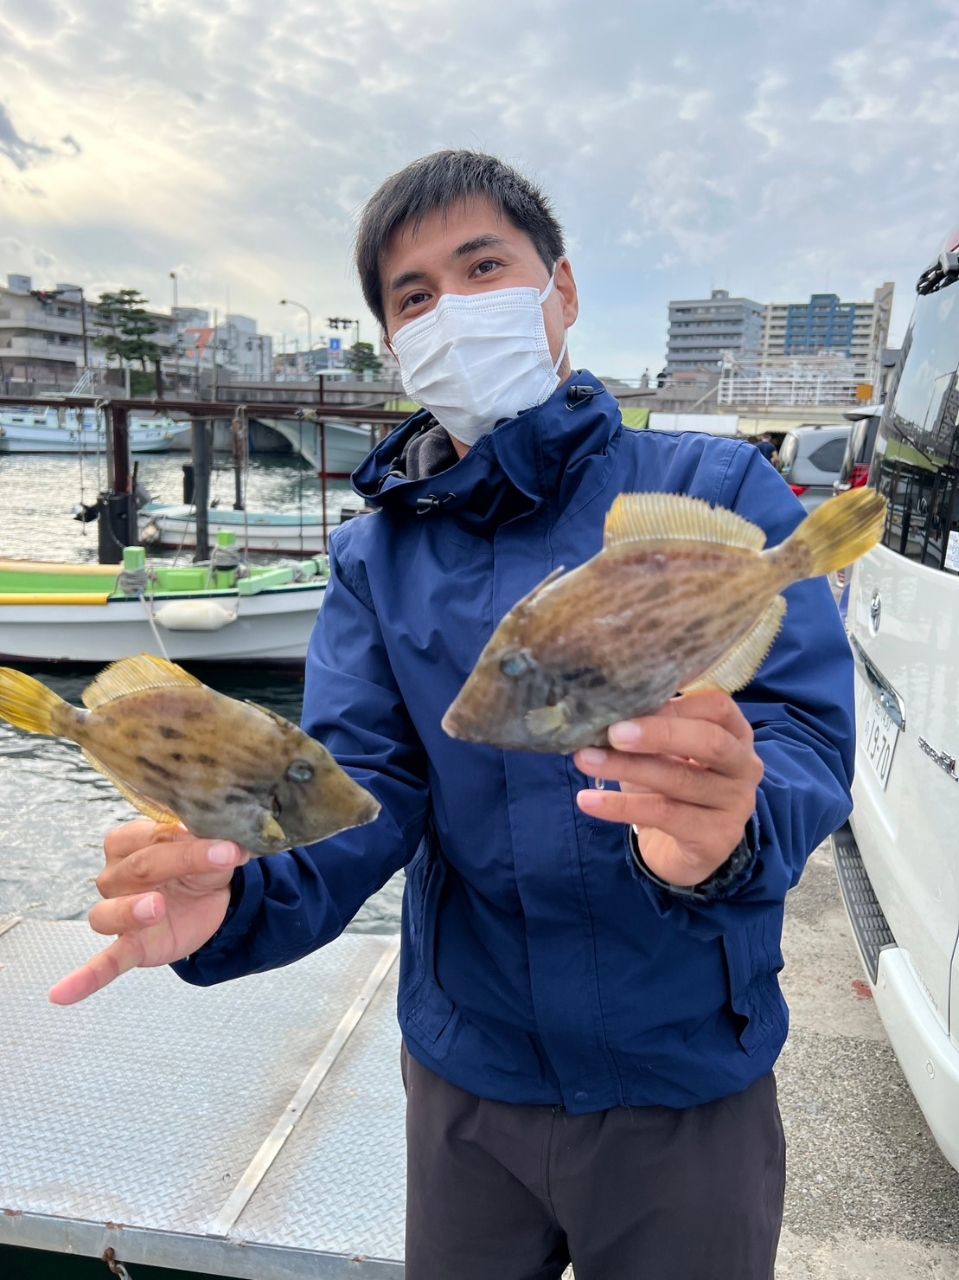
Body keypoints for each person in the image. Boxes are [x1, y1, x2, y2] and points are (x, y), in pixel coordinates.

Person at [50, 151, 855, 1280]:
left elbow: (803, 737)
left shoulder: (718, 490)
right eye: (414, 296)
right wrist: (237, 892)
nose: (452, 309)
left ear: (559, 292)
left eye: (483, 267)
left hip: (685, 1072)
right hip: (469, 1082)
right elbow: (353, 788)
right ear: (394, 344)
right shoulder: (373, 553)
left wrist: (735, 822)